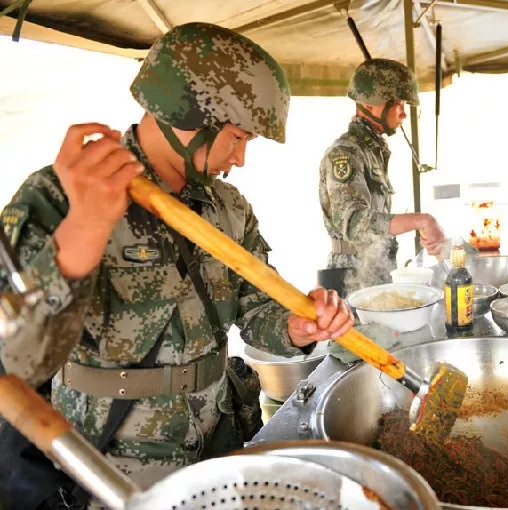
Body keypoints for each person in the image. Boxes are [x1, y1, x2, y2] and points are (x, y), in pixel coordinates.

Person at [0, 22, 353, 507]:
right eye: (236, 138)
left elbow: (256, 315)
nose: (242, 159)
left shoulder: (229, 207)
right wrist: (80, 233)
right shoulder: (61, 195)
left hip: (217, 444)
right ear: (188, 114)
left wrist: (295, 326)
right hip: (113, 471)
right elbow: (12, 363)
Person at [318, 58, 445, 289]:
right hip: (352, 279)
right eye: (397, 103)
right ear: (370, 103)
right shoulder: (345, 153)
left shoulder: (371, 151)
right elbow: (355, 222)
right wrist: (422, 220)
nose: (403, 114)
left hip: (375, 270)